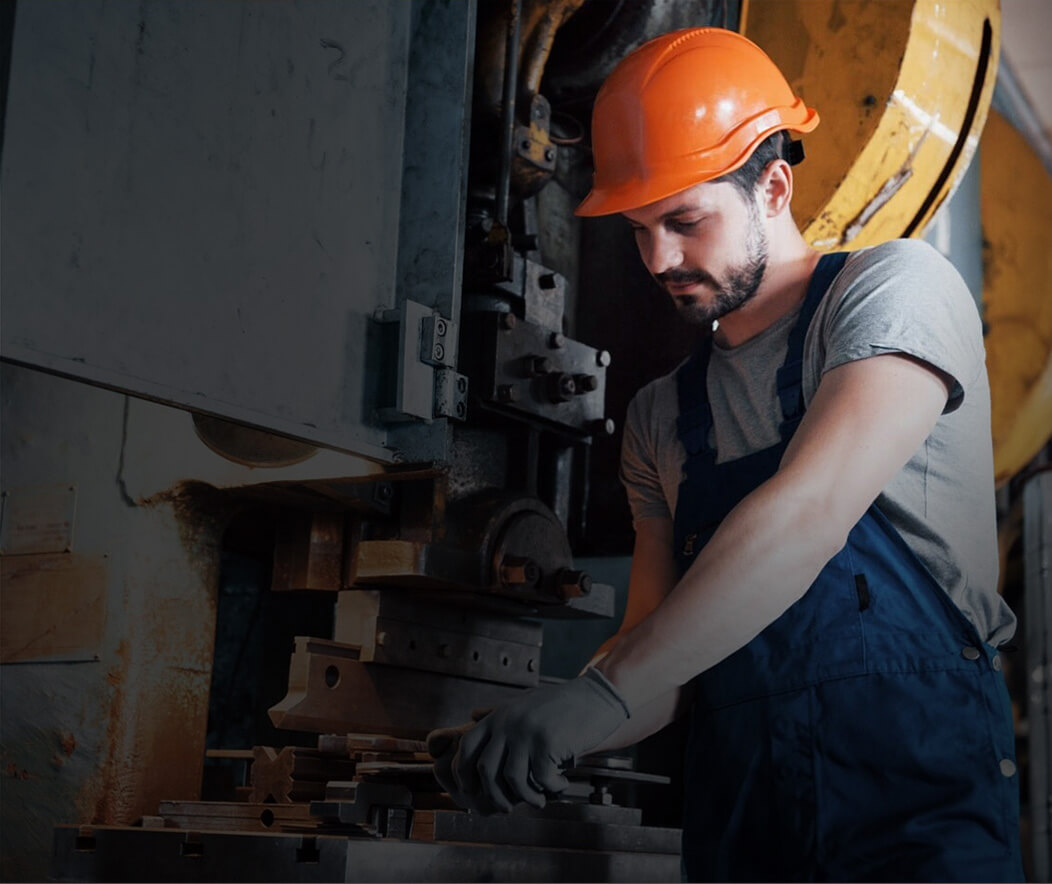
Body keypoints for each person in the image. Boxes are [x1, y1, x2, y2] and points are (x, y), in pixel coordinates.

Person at [429, 27, 1024, 882]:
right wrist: (546, 725)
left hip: (914, 826)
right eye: (639, 230)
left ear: (774, 186)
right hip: (746, 835)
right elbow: (661, 658)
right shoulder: (663, 417)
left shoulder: (896, 291)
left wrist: (600, 696)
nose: (660, 259)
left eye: (684, 220)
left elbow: (809, 513)